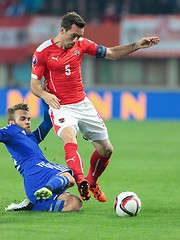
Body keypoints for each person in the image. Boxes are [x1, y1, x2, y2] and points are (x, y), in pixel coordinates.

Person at [30, 11, 160, 202]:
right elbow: (34, 85)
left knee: (106, 150)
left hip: (83, 103)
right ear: (62, 30)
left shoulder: (82, 44)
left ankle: (92, 181)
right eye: (73, 35)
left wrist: (136, 46)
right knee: (69, 136)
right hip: (60, 106)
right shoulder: (43, 51)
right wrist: (45, 94)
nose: (76, 40)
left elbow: (112, 53)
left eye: (79, 36)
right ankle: (80, 180)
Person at [1, 102, 82, 212]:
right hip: (35, 171)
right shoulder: (11, 130)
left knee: (74, 203)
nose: (27, 122)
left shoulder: (32, 137)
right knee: (68, 177)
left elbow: (47, 123)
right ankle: (48, 188)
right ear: (12, 122)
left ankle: (32, 205)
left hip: (41, 173)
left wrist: (44, 99)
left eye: (29, 119)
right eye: (23, 119)